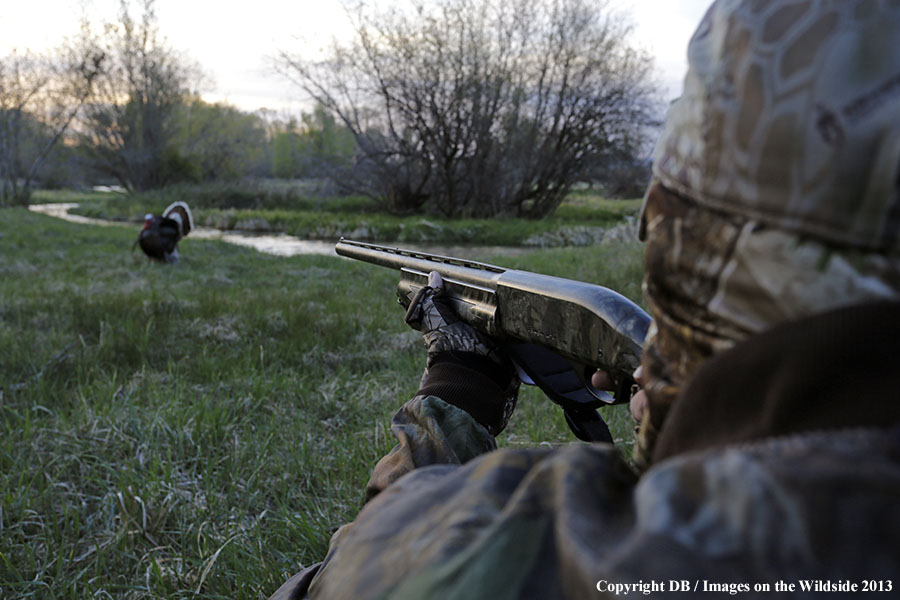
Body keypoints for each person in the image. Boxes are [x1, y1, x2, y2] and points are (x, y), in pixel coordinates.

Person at [271, 1, 900, 597]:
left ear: (690, 250)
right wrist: (698, 409)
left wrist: (457, 389)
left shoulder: (568, 545)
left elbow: (353, 575)